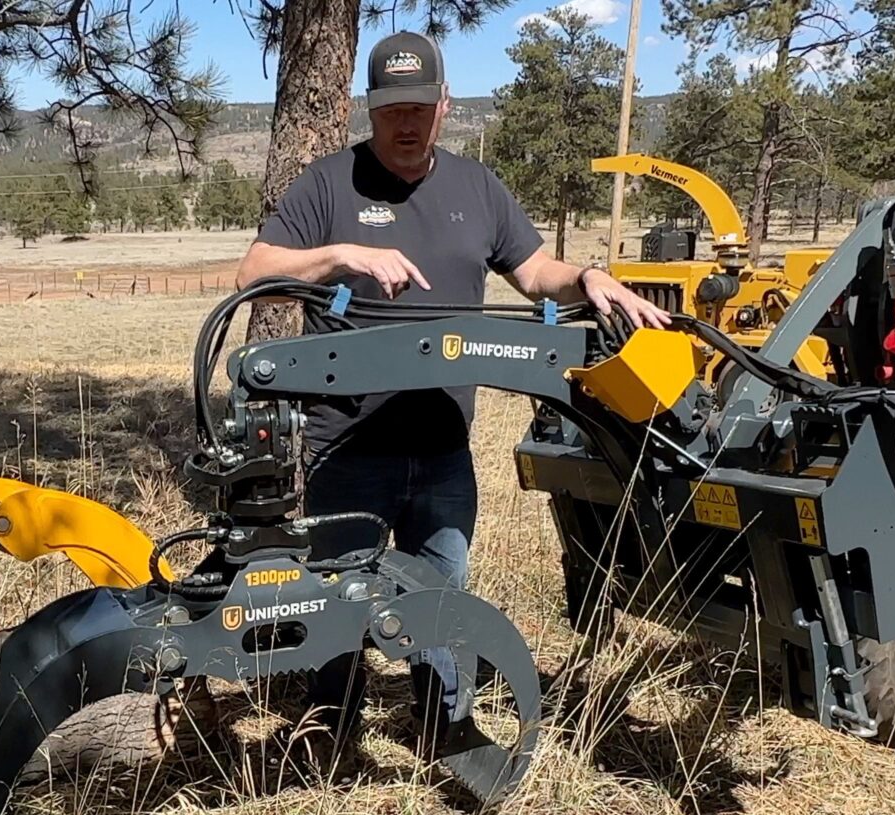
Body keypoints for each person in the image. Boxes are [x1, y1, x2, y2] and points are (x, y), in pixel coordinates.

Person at [234, 29, 670, 738]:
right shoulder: (327, 185)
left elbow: (535, 276)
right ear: (368, 110)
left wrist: (587, 278)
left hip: (441, 451)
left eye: (418, 108)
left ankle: (446, 730)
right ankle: (329, 728)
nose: (404, 124)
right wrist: (343, 255)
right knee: (338, 600)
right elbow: (253, 274)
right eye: (389, 110)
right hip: (345, 449)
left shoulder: (478, 189)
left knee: (442, 594)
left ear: (443, 106)